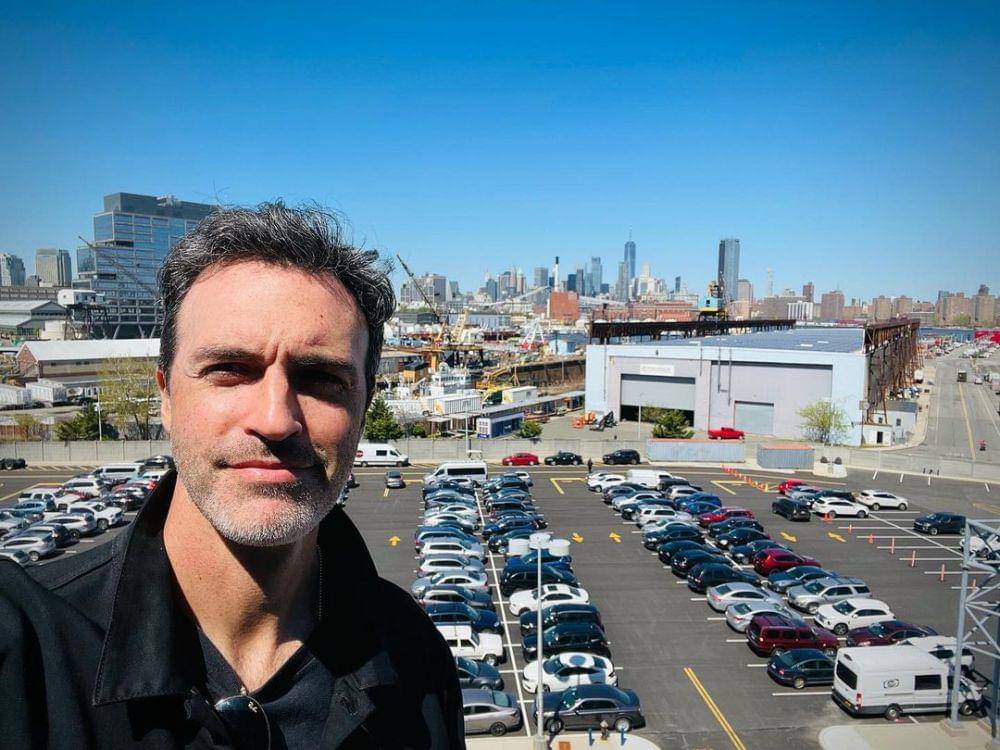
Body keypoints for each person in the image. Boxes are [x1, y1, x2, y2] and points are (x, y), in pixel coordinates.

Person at [0, 204, 466, 749]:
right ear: (166, 396)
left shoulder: (415, 660)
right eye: (229, 370)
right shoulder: (25, 650)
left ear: (363, 408)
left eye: (320, 378)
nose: (275, 419)